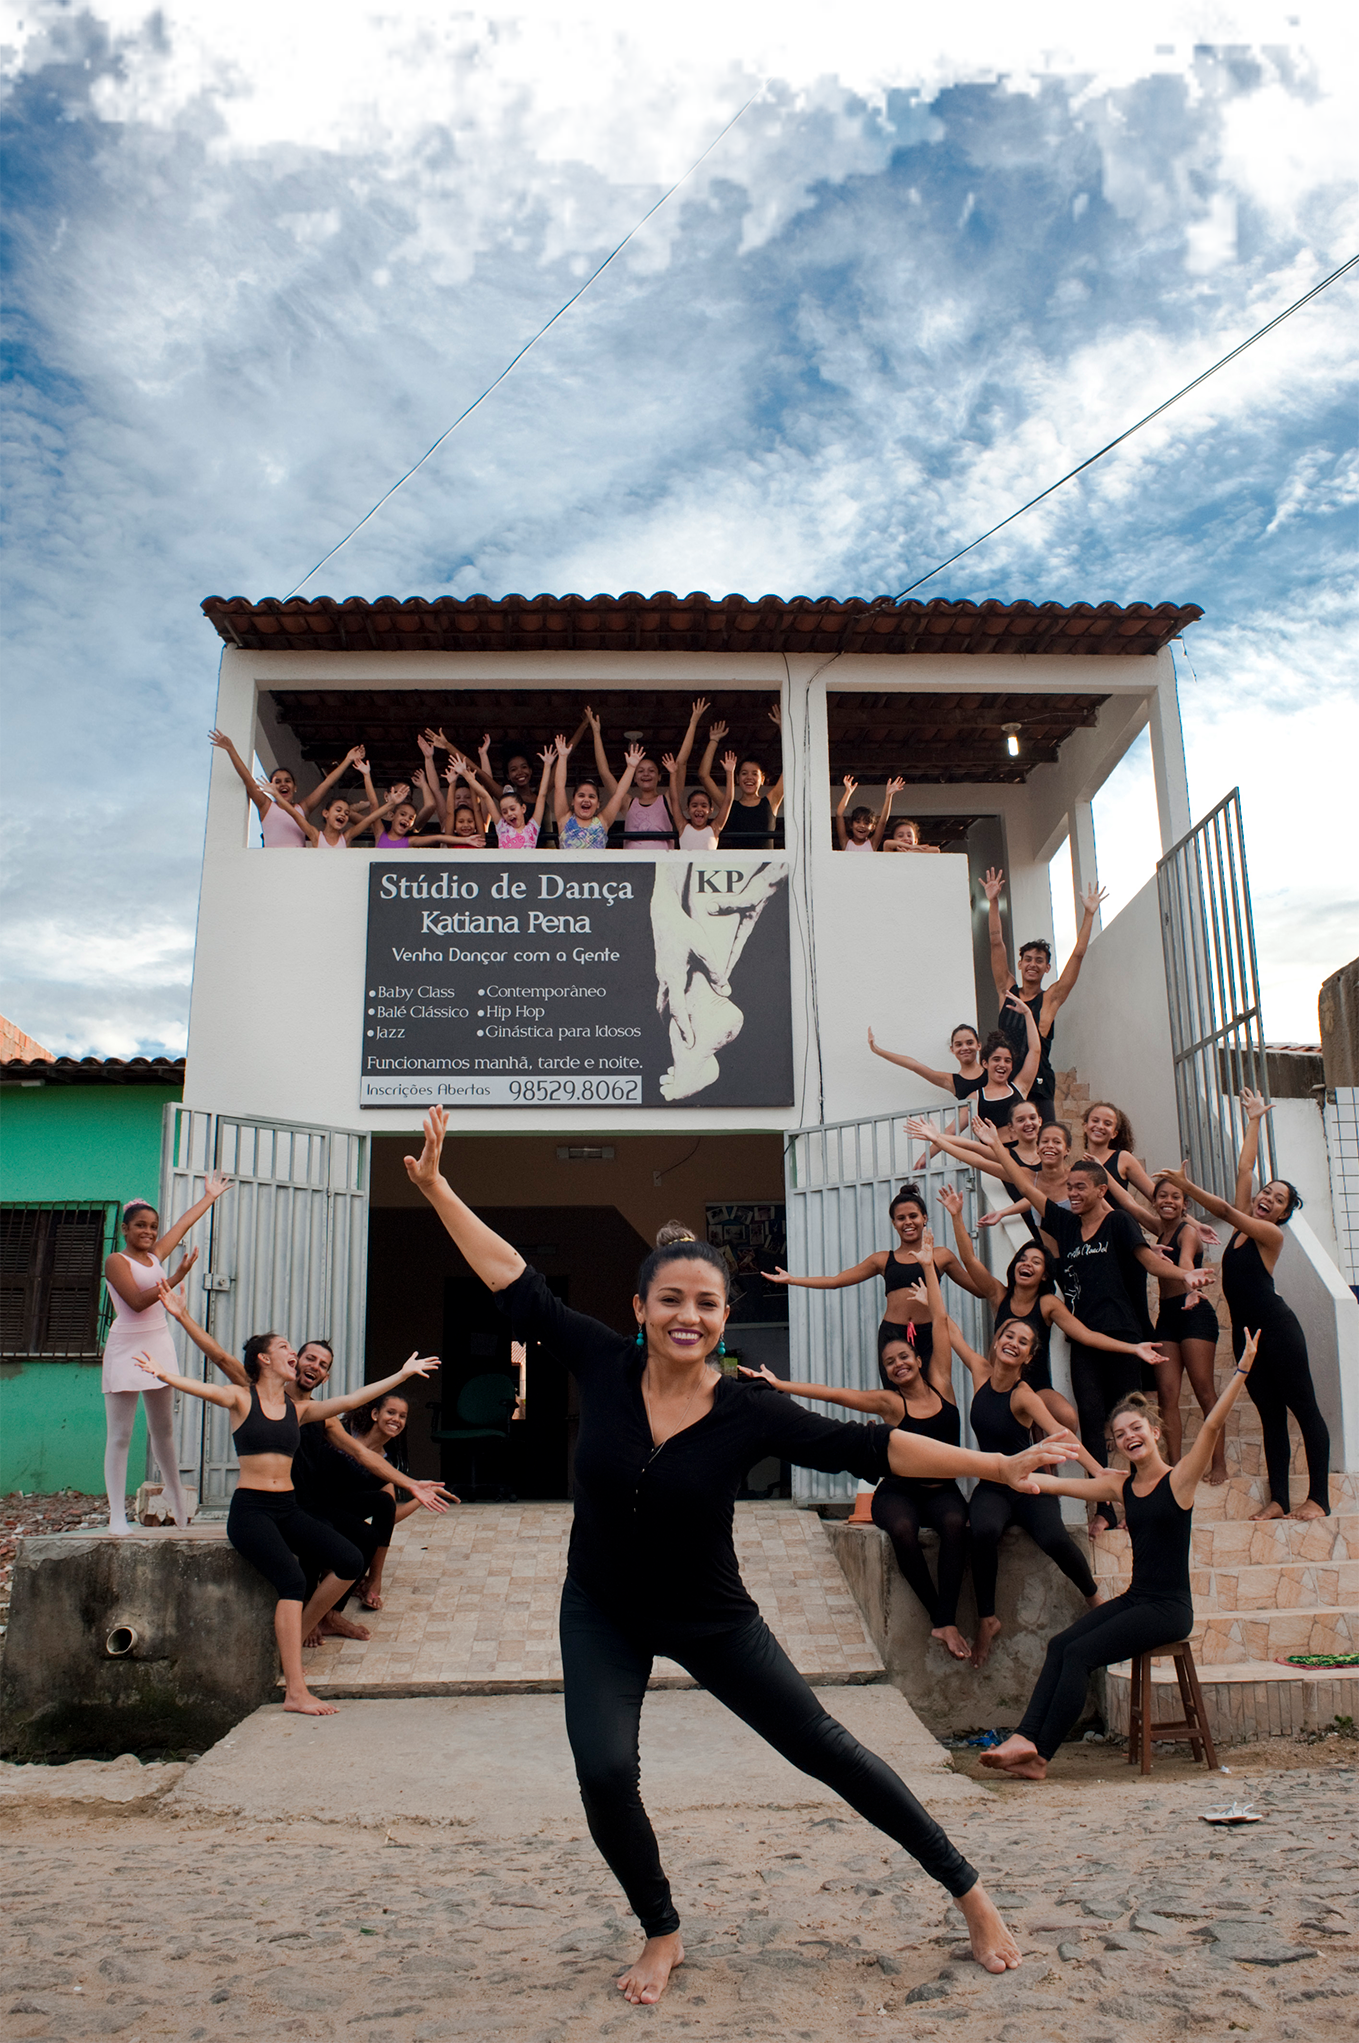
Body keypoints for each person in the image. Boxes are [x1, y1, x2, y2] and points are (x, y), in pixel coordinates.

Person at [403, 1106, 1072, 1999]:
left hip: (710, 1615)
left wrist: (995, 1464)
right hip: (600, 1607)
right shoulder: (600, 1362)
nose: (687, 1315)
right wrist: (438, 1188)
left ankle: (968, 1889)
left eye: (706, 1303)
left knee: (824, 1748)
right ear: (639, 1308)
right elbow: (513, 1281)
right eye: (670, 1299)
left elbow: (870, 1446)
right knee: (604, 1770)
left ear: (724, 1316)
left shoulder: (747, 1409)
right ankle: (661, 1929)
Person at [135, 1315, 440, 1717]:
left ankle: (306, 1631)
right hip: (252, 1511)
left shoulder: (299, 1411)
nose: (294, 1355)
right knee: (293, 1581)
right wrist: (164, 1373)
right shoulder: (242, 1397)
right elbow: (206, 1384)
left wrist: (401, 1375)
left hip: (288, 1508)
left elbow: (352, 1401)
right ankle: (295, 1691)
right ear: (264, 1359)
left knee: (351, 1560)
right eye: (286, 1349)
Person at [981, 1345, 1258, 1780]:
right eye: (1120, 1434)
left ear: (1154, 1431)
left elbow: (1211, 1425)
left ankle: (1039, 1755)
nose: (1129, 1436)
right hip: (1137, 1599)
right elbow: (1060, 1488)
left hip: (1168, 1608)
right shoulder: (1121, 1486)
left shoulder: (1179, 1480)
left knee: (1080, 1656)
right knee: (1060, 1645)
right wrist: (1004, 1470)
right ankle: (1025, 1738)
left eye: (1136, 1428)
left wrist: (1241, 1370)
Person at [741, 1244, 972, 1662]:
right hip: (899, 1491)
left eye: (904, 1357)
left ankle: (946, 1617)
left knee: (956, 1524)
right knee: (902, 1530)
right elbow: (835, 1394)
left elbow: (939, 1321)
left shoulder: (942, 1380)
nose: (898, 1364)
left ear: (919, 1360)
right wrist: (780, 1384)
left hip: (942, 1491)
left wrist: (928, 1270)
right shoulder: (889, 1402)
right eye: (890, 1362)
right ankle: (940, 1619)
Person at [981, 1124, 1209, 1532]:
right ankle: (1105, 1507)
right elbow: (1026, 1186)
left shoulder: (1119, 1222)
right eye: (1069, 1187)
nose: (1071, 1193)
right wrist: (998, 1146)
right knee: (1090, 1417)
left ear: (1101, 1190)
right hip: (1084, 1338)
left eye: (1080, 1187)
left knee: (1131, 1418)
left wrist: (1184, 1275)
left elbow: (1148, 1259)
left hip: (1123, 1333)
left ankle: (1144, 1500)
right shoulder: (1065, 1224)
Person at [1158, 1090, 1330, 1521]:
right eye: (1266, 1192)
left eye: (1278, 1200)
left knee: (1304, 1410)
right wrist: (1253, 1120)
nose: (1266, 1197)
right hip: (1245, 1336)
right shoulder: (1242, 1228)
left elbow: (1220, 1207)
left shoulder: (1270, 1236)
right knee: (1270, 1415)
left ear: (1282, 1215)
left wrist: (1186, 1187)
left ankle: (1319, 1499)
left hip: (1278, 1329)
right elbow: (1244, 1169)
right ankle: (1279, 1500)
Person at [939, 1183, 1162, 1435]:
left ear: (1045, 1275)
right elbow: (969, 1259)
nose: (1027, 1264)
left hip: (1037, 1385)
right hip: (1001, 1382)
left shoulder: (1047, 1304)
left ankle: (1051, 1453)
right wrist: (956, 1216)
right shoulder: (998, 1294)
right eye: (1022, 1259)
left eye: (1036, 1262)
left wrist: (1133, 1347)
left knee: (1067, 1417)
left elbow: (1085, 1335)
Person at [948, 1313, 1105, 1668]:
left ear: (1029, 1357)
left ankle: (1094, 1598)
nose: (1013, 1343)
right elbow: (950, 1330)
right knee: (983, 1531)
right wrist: (929, 1287)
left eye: (1023, 1342)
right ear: (996, 1341)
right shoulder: (980, 1372)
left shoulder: (1024, 1395)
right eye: (1009, 1335)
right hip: (993, 1486)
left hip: (1030, 1485)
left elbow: (1061, 1435)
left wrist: (1098, 1472)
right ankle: (987, 1619)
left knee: (1054, 1538)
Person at [100, 1176, 233, 1533]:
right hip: (125, 1348)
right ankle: (116, 1515)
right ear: (125, 1229)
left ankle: (175, 1495)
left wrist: (209, 1197)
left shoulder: (154, 1256)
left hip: (158, 1343)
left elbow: (183, 1224)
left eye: (153, 1226)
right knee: (120, 1435)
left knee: (164, 1430)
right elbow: (136, 1302)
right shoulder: (116, 1261)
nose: (148, 1231)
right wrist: (175, 1277)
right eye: (140, 1225)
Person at [766, 1181, 985, 1367]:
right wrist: (792, 1279)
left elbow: (980, 1290)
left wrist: (957, 1216)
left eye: (913, 1216)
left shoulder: (942, 1256)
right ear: (894, 1223)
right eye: (901, 1218)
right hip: (893, 1336)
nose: (908, 1222)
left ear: (924, 1218)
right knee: (896, 1398)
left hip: (931, 1333)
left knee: (937, 1392)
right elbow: (836, 1281)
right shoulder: (882, 1260)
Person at [1098, 1176, 1225, 1478]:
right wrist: (1103, 1172)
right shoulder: (1160, 1229)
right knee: (1167, 1395)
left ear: (1185, 1204)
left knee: (1205, 1392)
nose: (1168, 1201)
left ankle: (1219, 1464)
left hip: (1195, 1314)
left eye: (1175, 1197)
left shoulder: (1188, 1231)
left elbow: (1185, 1262)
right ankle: (1175, 1466)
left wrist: (1191, 1288)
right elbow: (1128, 1205)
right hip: (1168, 1317)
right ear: (1154, 1201)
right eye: (1163, 1196)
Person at [983, 866, 1107, 1123]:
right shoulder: (1007, 990)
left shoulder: (1050, 999)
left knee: (1046, 1139)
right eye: (1028, 959)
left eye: (1039, 960)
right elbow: (996, 943)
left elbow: (1078, 955)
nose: (1032, 964)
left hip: (1039, 1086)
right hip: (1006, 1082)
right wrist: (993, 902)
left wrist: (1089, 914)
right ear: (1020, 964)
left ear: (1047, 968)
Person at [208, 732, 366, 847]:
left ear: (295, 787)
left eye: (287, 781)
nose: (283, 784)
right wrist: (231, 749)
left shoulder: (303, 808)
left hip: (296, 864)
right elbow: (248, 780)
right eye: (277, 782)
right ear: (271, 786)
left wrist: (347, 760)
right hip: (273, 863)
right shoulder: (266, 805)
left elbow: (326, 784)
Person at [584, 707, 678, 851]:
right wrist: (596, 733)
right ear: (634, 777)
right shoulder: (628, 803)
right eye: (640, 771)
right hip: (633, 863)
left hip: (661, 863)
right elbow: (604, 773)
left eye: (651, 771)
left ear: (659, 776)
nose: (646, 774)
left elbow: (682, 764)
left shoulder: (668, 800)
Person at [705, 707, 784, 850]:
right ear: (737, 778)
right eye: (744, 773)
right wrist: (713, 741)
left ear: (762, 779)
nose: (749, 777)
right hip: (739, 863)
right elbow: (704, 776)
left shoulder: (771, 801)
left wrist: (783, 728)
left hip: (767, 864)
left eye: (754, 774)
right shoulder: (729, 805)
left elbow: (790, 768)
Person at [867, 1022, 985, 1114]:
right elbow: (914, 1065)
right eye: (959, 1044)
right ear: (952, 1049)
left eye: (970, 1043)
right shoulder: (951, 1081)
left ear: (978, 1045)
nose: (965, 1048)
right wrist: (877, 1050)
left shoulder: (991, 1072)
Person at [553, 735, 642, 850]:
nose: (586, 799)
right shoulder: (564, 819)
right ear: (573, 801)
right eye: (581, 795)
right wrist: (562, 757)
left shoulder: (602, 822)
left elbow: (618, 795)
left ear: (598, 804)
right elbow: (559, 787)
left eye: (591, 796)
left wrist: (631, 768)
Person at [1079, 1100, 1158, 1198]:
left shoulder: (1123, 1158)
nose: (1100, 1126)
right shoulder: (1078, 1165)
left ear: (1114, 1133)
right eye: (1095, 1121)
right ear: (1085, 1126)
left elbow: (1155, 1195)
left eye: (1107, 1123)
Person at [663, 745, 736, 851]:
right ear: (688, 809)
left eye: (704, 806)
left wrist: (730, 773)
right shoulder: (683, 826)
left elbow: (728, 801)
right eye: (694, 805)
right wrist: (673, 774)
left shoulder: (715, 828)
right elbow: (674, 800)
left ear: (711, 810)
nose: (699, 809)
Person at [493, 748, 554, 850]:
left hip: (543, 853)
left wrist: (547, 765)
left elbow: (542, 794)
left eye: (524, 767)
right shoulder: (503, 827)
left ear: (523, 808)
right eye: (505, 811)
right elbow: (485, 795)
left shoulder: (531, 828)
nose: (520, 772)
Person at [835, 776, 906, 852]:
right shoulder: (846, 843)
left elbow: (882, 822)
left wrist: (889, 796)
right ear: (851, 825)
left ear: (872, 827)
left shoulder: (872, 843)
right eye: (858, 822)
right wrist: (848, 792)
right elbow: (839, 815)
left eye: (866, 823)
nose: (862, 825)